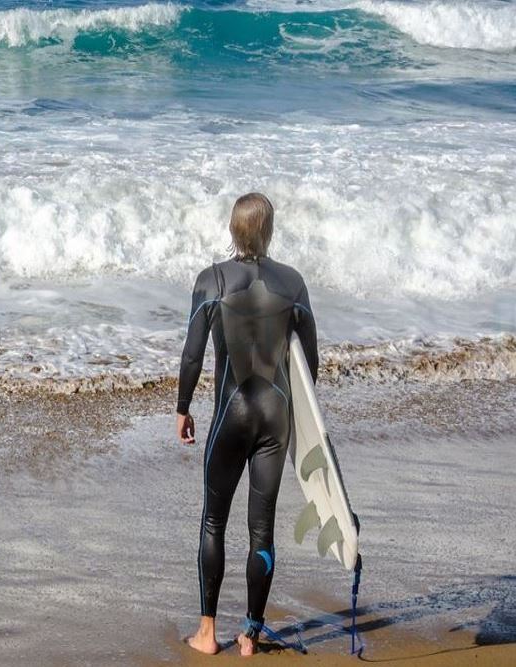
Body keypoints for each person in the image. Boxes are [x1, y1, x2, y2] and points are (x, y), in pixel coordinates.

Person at [177, 192, 319, 656]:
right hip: (276, 419)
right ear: (270, 230)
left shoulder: (211, 280)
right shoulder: (294, 283)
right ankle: (250, 636)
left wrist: (183, 409)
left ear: (233, 231)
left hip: (230, 416)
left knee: (213, 521)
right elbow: (310, 363)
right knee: (263, 529)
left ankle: (206, 633)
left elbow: (194, 354)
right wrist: (302, 423)